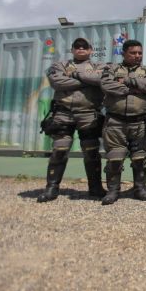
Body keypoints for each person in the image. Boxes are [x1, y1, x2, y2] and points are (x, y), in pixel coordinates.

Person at [38, 38, 106, 202]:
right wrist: (87, 81)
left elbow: (101, 80)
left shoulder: (100, 66)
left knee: (91, 151)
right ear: (72, 49)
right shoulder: (59, 65)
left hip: (89, 113)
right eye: (77, 46)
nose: (81, 48)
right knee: (59, 150)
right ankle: (51, 188)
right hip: (63, 113)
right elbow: (57, 82)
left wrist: (75, 76)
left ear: (91, 50)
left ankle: (95, 188)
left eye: (84, 46)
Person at [100, 40, 146, 205]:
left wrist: (125, 81)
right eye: (133, 53)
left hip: (140, 122)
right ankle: (113, 191)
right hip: (115, 122)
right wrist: (133, 89)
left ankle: (139, 189)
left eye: (140, 53)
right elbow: (106, 85)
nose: (137, 56)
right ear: (124, 53)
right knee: (114, 158)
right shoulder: (111, 69)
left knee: (140, 158)